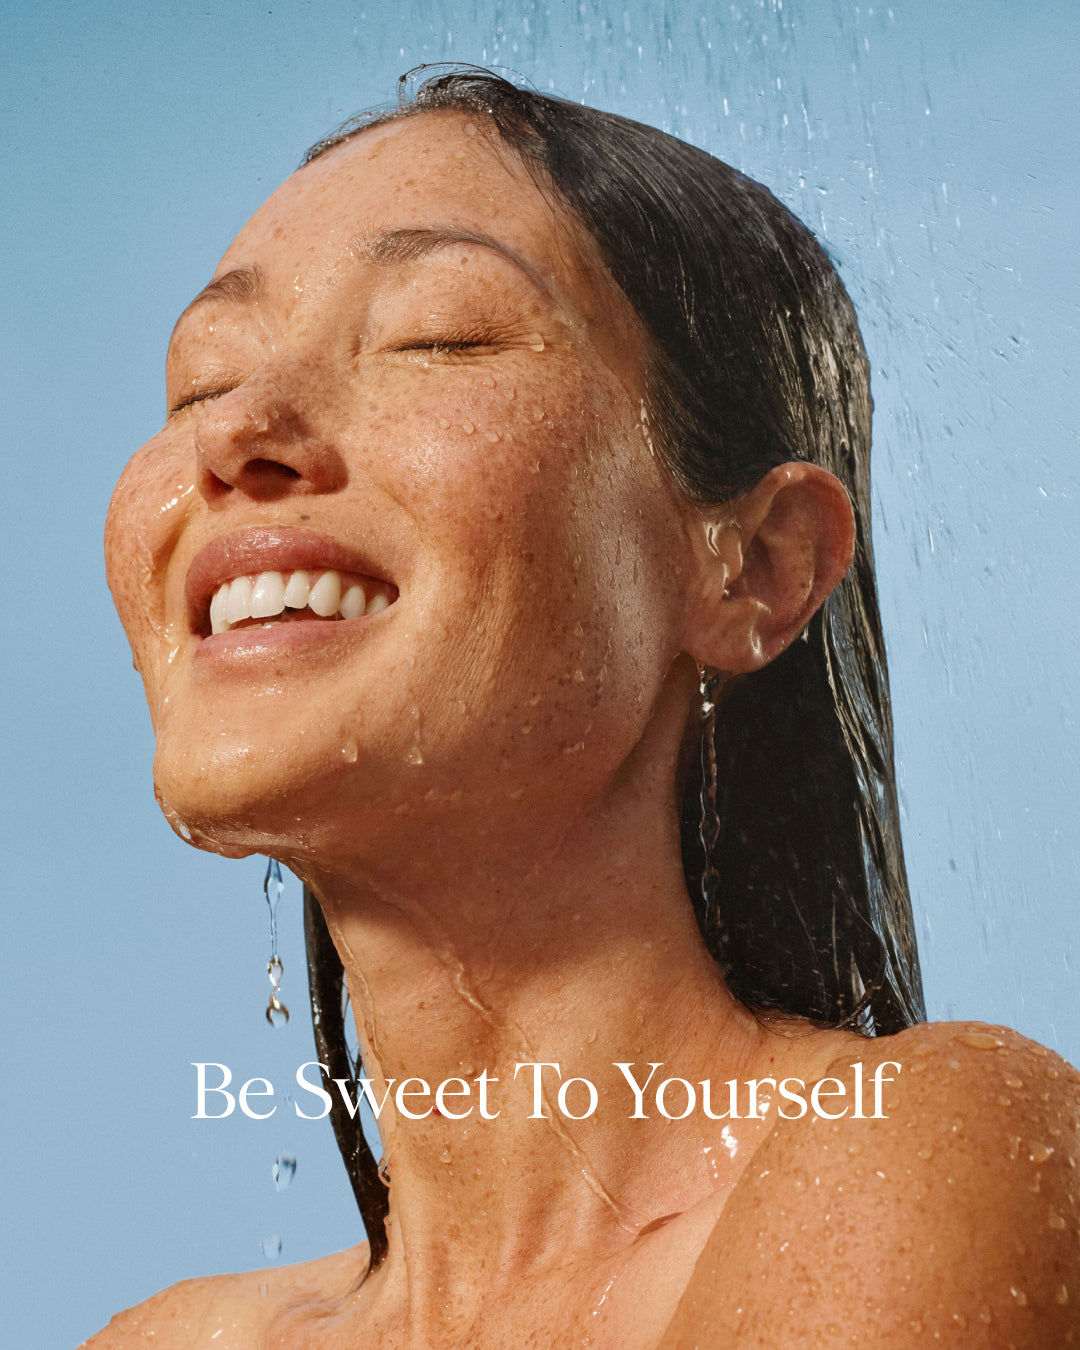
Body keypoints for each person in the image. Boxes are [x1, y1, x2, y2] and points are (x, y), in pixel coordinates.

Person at [90, 70, 1078, 1349]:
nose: (243, 434)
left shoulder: (915, 1152)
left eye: (437, 335)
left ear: (758, 565)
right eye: (200, 382)